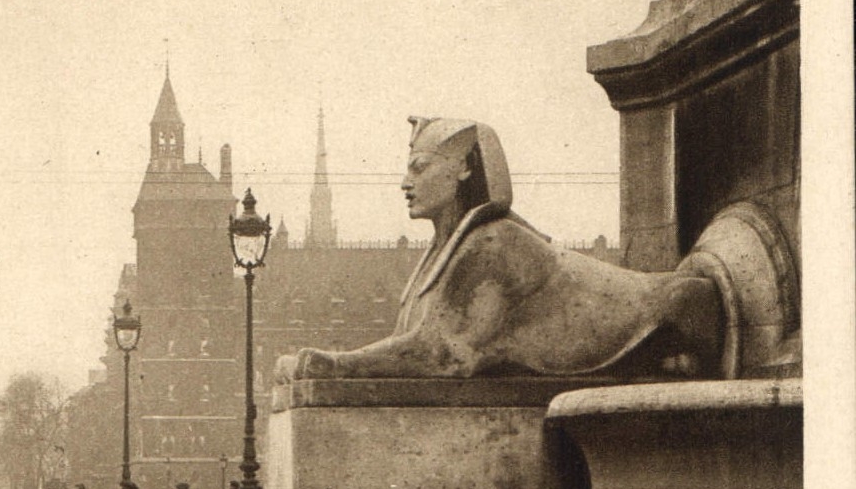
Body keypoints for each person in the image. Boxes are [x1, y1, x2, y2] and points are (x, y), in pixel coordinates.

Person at [290, 117, 719, 381]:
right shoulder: (452, 248)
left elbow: (445, 355)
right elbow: (417, 340)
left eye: (419, 169)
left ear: (463, 168)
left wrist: (338, 365)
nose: (406, 183)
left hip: (680, 308)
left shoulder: (497, 244)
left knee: (683, 297)